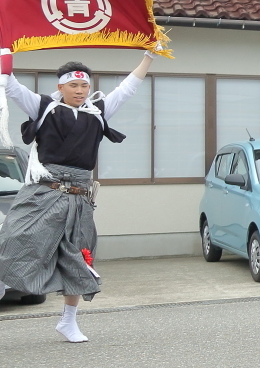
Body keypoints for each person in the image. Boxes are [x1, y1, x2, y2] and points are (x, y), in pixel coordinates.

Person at [0, 52, 155, 342]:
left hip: (79, 195)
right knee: (15, 237)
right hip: (43, 190)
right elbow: (11, 86)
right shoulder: (43, 106)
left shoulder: (97, 111)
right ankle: (2, 278)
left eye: (84, 86)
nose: (80, 91)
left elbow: (127, 88)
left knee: (79, 257)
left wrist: (148, 58)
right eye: (74, 86)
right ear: (61, 87)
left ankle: (68, 321)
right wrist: (5, 52)